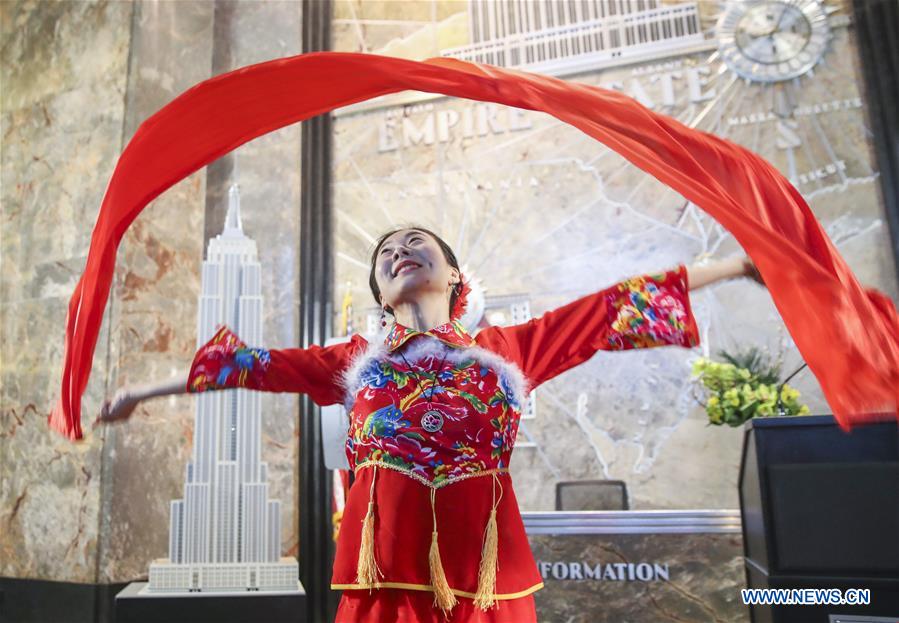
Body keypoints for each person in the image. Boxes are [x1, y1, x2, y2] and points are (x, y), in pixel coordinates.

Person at [96, 225, 764, 622]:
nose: (400, 250)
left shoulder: (506, 349)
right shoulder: (351, 362)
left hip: (485, 582)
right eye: (387, 250)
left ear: (453, 274)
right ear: (381, 285)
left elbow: (610, 310)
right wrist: (139, 391)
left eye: (417, 244)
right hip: (384, 581)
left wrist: (737, 264)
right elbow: (248, 364)